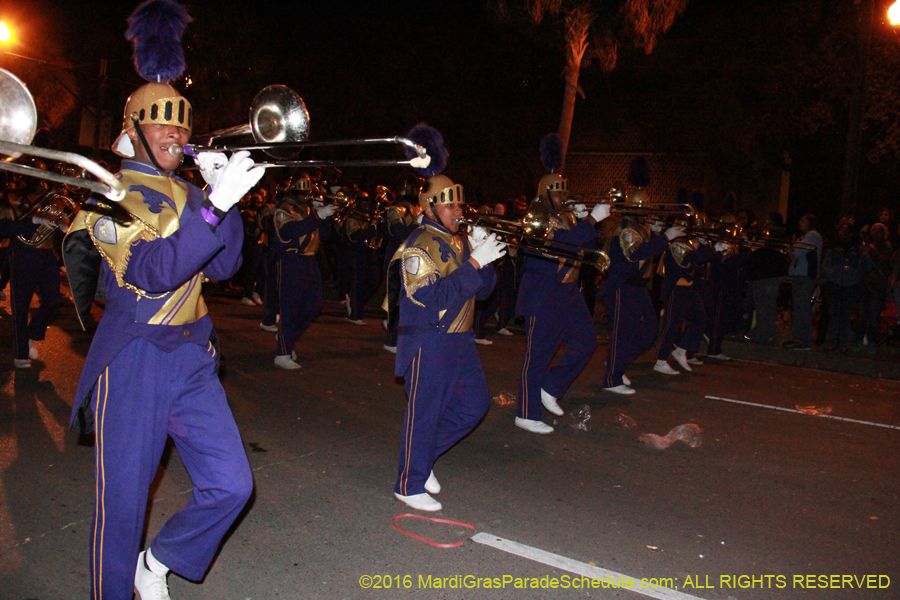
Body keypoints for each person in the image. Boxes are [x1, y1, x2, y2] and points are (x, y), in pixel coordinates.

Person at [63, 79, 263, 600]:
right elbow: (152, 272)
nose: (176, 131)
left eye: (182, 121)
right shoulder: (108, 198)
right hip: (134, 360)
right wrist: (214, 206)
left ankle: (159, 561)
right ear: (132, 129)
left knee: (232, 483)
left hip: (192, 356)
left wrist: (226, 199)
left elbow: (225, 263)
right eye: (162, 119)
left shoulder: (194, 194)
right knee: (124, 506)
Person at [392, 174, 505, 511]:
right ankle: (408, 484)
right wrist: (474, 262)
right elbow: (431, 296)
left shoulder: (458, 240)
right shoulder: (418, 243)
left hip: (460, 339)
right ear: (431, 206)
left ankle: (421, 459)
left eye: (459, 202)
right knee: (425, 414)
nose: (459, 210)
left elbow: (483, 292)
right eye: (450, 203)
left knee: (474, 405)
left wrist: (486, 259)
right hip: (430, 339)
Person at [514, 171, 610, 434]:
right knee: (538, 356)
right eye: (558, 192)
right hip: (544, 291)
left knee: (586, 341)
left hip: (568, 291)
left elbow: (586, 244)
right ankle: (525, 413)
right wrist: (589, 220)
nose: (563, 197)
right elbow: (558, 244)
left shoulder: (564, 216)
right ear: (545, 192)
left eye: (565, 192)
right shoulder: (537, 214)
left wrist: (584, 222)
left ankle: (551, 387)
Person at [600, 215, 683, 393]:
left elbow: (644, 252)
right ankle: (612, 379)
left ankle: (617, 362)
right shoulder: (626, 229)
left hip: (637, 287)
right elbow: (636, 253)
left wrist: (654, 234)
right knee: (622, 333)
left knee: (651, 328)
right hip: (622, 286)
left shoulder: (638, 228)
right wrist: (665, 237)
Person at [270, 174, 336, 369]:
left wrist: (322, 215)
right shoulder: (284, 208)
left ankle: (286, 337)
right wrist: (317, 215)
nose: (308, 195)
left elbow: (325, 235)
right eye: (306, 191)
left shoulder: (308, 209)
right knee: (290, 307)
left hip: (310, 260)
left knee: (314, 306)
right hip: (290, 259)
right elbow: (289, 231)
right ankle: (282, 353)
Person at [0, 160, 62, 368]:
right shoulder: (11, 198)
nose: (39, 181)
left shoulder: (51, 199)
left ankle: (32, 333)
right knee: (20, 305)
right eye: (34, 176)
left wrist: (64, 226)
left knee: (53, 300)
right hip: (22, 254)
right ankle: (20, 353)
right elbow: (3, 228)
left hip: (47, 256)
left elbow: (61, 226)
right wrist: (32, 222)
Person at [653, 227, 716, 374]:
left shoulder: (688, 242)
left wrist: (705, 246)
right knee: (672, 324)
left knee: (700, 318)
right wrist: (713, 249)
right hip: (675, 289)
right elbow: (691, 258)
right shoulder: (676, 244)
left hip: (688, 288)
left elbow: (701, 265)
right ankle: (660, 360)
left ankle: (681, 349)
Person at [784, 214, 823, 350]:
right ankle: (797, 337)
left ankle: (805, 339)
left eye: (804, 221)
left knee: (803, 307)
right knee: (798, 307)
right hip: (799, 274)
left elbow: (796, 252)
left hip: (805, 275)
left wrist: (794, 247)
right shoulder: (804, 237)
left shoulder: (813, 236)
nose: (800, 223)